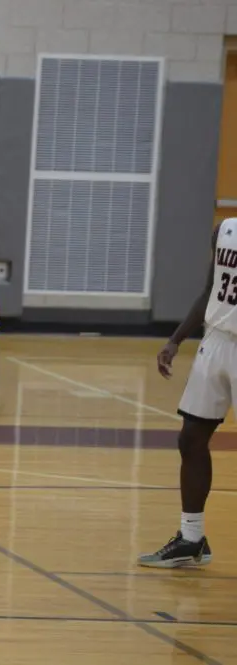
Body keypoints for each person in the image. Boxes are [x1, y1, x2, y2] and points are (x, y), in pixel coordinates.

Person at [137, 220, 237, 568]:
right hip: (217, 341)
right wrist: (175, 339)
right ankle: (191, 538)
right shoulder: (225, 228)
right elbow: (211, 289)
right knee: (191, 438)